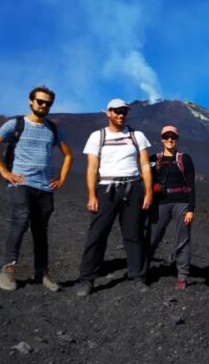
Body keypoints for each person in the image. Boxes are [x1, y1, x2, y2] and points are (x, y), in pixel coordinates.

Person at [0, 85, 73, 292]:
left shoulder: (53, 128)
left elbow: (68, 155)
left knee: (41, 230)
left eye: (48, 103)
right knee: (20, 220)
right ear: (31, 101)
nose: (44, 105)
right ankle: (8, 269)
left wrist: (62, 178)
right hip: (20, 183)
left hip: (45, 187)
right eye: (40, 101)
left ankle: (42, 272)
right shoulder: (15, 124)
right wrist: (4, 172)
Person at [76, 99, 153, 296]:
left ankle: (138, 276)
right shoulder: (97, 136)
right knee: (97, 233)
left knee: (134, 234)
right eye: (117, 111)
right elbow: (92, 168)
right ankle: (87, 279)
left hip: (133, 187)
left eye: (124, 112)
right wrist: (92, 194)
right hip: (107, 189)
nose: (121, 115)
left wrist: (148, 191)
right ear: (108, 113)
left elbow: (145, 164)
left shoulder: (137, 135)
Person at [148, 126, 196, 290]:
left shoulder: (185, 159)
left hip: (181, 203)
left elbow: (191, 185)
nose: (170, 140)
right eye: (166, 137)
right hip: (160, 203)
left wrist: (191, 208)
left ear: (177, 139)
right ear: (161, 139)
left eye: (173, 137)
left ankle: (182, 277)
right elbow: (146, 179)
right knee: (153, 236)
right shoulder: (154, 159)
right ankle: (143, 269)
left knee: (183, 239)